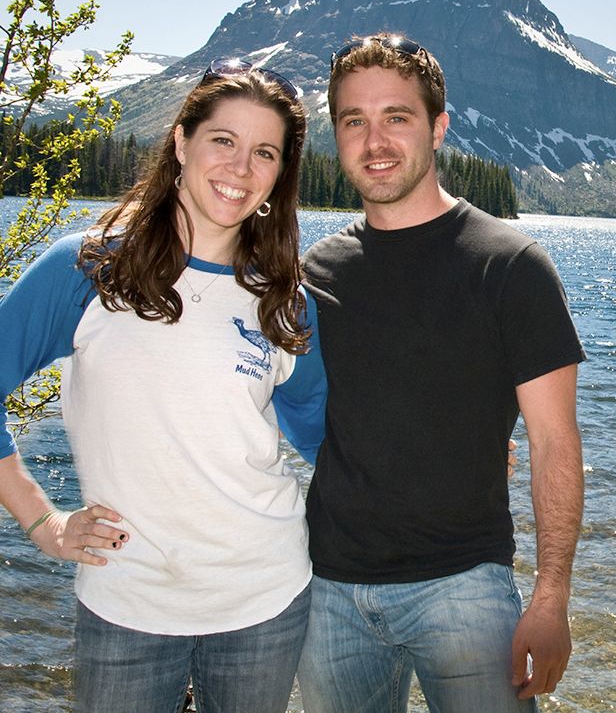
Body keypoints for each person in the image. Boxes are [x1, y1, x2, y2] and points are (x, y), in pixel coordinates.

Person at [0, 60, 328, 712]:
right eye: (223, 140)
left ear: (278, 176)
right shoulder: (87, 268)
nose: (240, 167)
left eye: (264, 152)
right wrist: (41, 521)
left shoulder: (285, 302)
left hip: (265, 601)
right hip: (126, 606)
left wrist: (450, 462)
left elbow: (331, 440)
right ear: (181, 142)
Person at [297, 34, 586, 712]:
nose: (375, 142)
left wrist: (551, 598)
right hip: (329, 593)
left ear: (438, 126)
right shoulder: (316, 275)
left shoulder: (509, 265)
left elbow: (554, 444)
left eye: (397, 117)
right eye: (353, 122)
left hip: (464, 590)